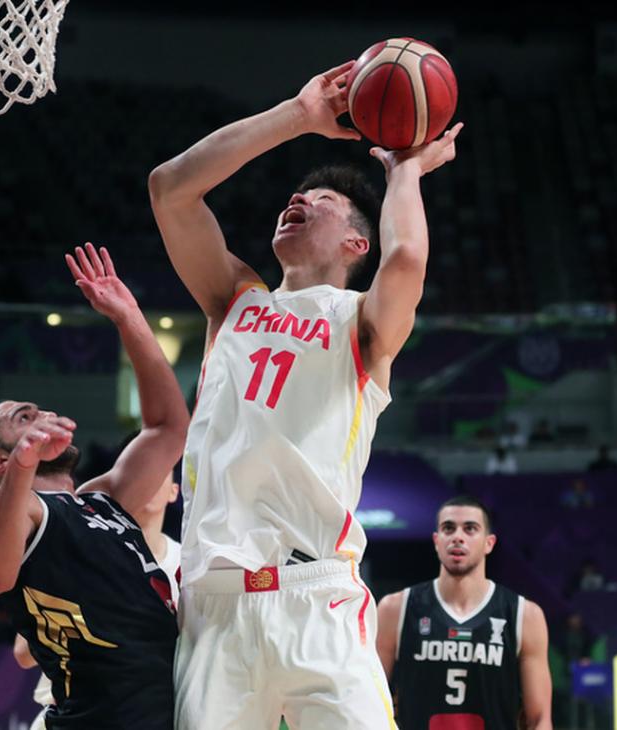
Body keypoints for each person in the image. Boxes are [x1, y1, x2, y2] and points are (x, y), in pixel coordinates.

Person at [149, 58, 462, 728]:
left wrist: (405, 172)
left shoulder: (363, 322)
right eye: (295, 196)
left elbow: (406, 257)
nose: (298, 201)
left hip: (317, 595)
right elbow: (170, 189)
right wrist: (296, 117)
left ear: (356, 241)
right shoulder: (234, 300)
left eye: (321, 202)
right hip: (216, 606)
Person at [0, 244, 188, 730]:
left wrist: (128, 318)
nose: (44, 415)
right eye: (24, 417)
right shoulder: (17, 507)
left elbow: (169, 428)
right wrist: (24, 464)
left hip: (164, 712)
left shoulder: (102, 501)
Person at [11, 467, 182, 730]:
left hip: (152, 715)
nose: (153, 481)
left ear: (174, 492)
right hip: (73, 712)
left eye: (162, 475)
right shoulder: (83, 548)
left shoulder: (186, 562)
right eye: (148, 473)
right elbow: (23, 653)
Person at [376, 496, 552, 729]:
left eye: (470, 529)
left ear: (489, 543)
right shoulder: (395, 609)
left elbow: (540, 719)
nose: (457, 537)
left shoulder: (524, 615)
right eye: (448, 528)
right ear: (436, 541)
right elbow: (370, 703)